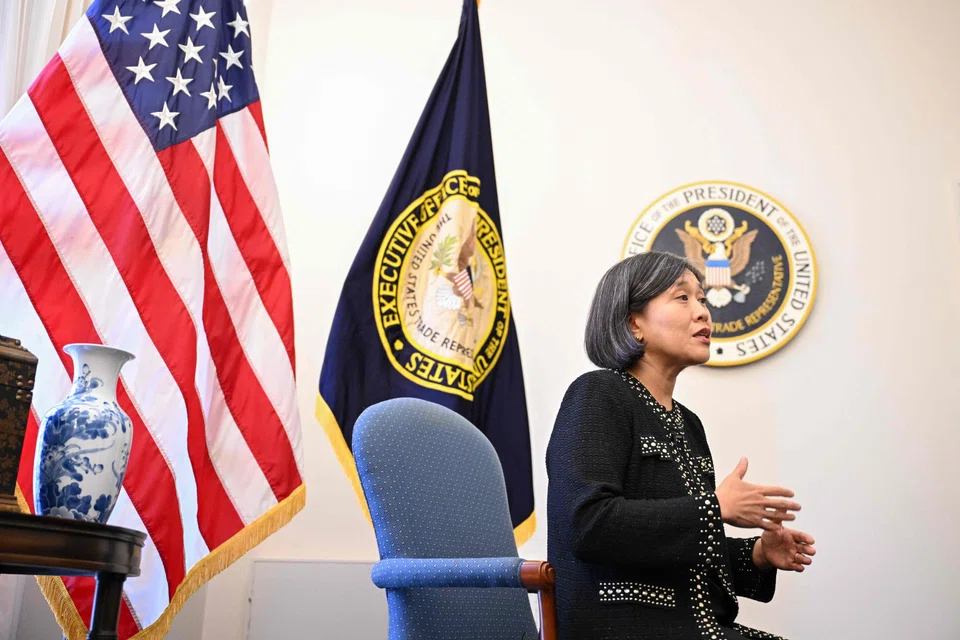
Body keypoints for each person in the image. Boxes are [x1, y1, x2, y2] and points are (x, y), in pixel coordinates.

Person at [546, 251, 816, 639]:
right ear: (633, 322)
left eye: (703, 299)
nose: (703, 312)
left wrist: (756, 554)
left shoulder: (688, 423)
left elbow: (677, 550)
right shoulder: (597, 394)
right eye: (682, 297)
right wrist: (716, 506)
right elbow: (588, 526)